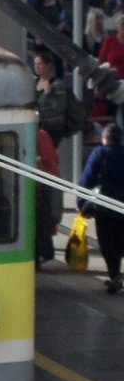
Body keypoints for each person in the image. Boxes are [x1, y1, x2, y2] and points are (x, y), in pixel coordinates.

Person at [78, 123, 124, 293]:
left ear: (105, 138)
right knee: (120, 242)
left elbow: (87, 178)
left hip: (105, 209)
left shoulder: (100, 153)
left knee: (107, 243)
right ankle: (116, 275)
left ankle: (115, 276)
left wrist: (81, 203)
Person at [34, 47, 72, 146]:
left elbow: (59, 107)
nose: (37, 67)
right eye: (35, 64)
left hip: (51, 129)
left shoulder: (57, 84)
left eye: (40, 64)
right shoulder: (33, 83)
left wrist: (47, 94)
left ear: (48, 65)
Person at [35, 128, 60, 267]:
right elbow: (52, 159)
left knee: (39, 222)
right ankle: (44, 253)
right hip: (46, 183)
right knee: (43, 222)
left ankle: (41, 253)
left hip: (40, 186)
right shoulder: (43, 135)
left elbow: (46, 160)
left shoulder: (38, 136)